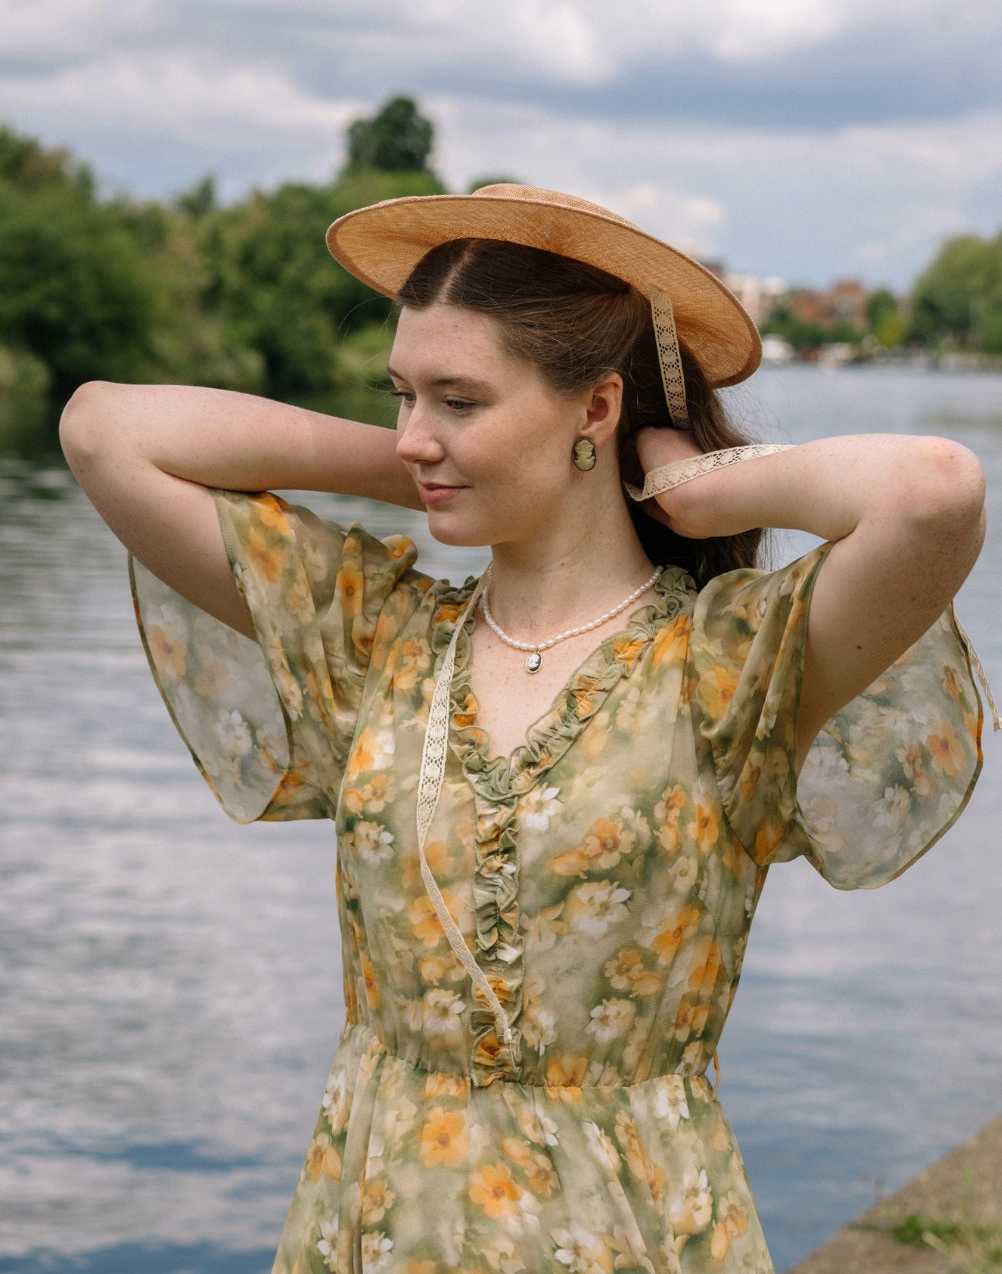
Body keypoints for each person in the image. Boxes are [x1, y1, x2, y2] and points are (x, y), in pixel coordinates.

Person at [60, 184, 992, 1274]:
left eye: (458, 398)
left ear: (594, 410)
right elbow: (104, 430)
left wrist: (690, 484)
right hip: (373, 1227)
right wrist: (429, 465)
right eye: (403, 394)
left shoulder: (726, 666)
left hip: (630, 1233)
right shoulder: (377, 642)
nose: (416, 432)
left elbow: (935, 491)